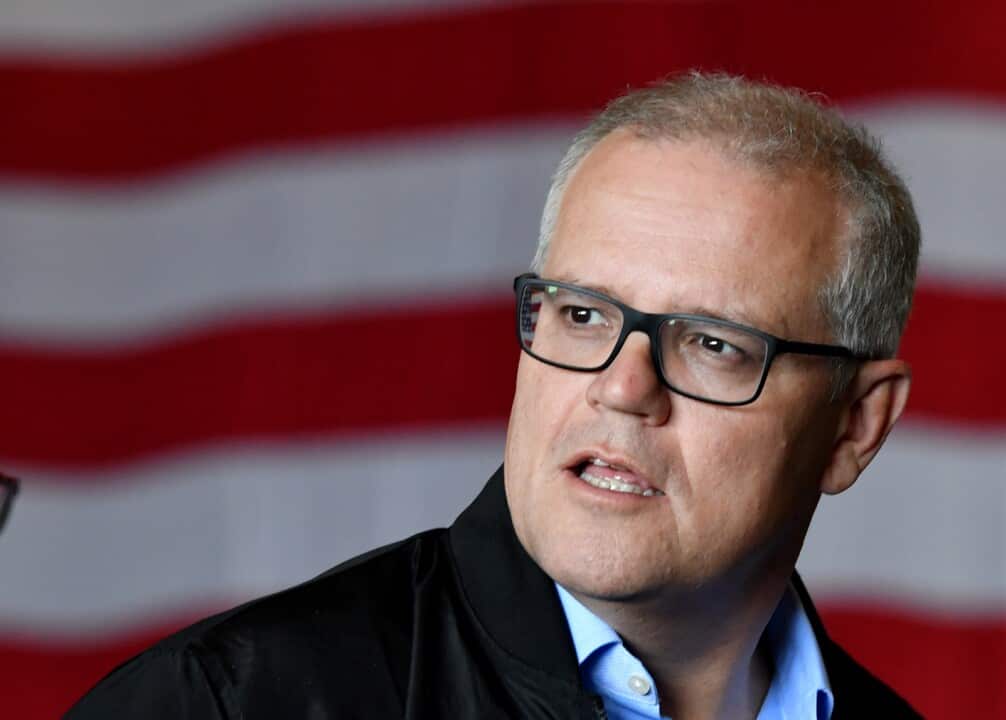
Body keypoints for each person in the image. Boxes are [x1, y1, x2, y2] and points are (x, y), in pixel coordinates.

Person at [69, 72, 921, 719]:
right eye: (584, 314)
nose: (623, 389)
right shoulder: (227, 703)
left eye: (711, 344)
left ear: (855, 426)